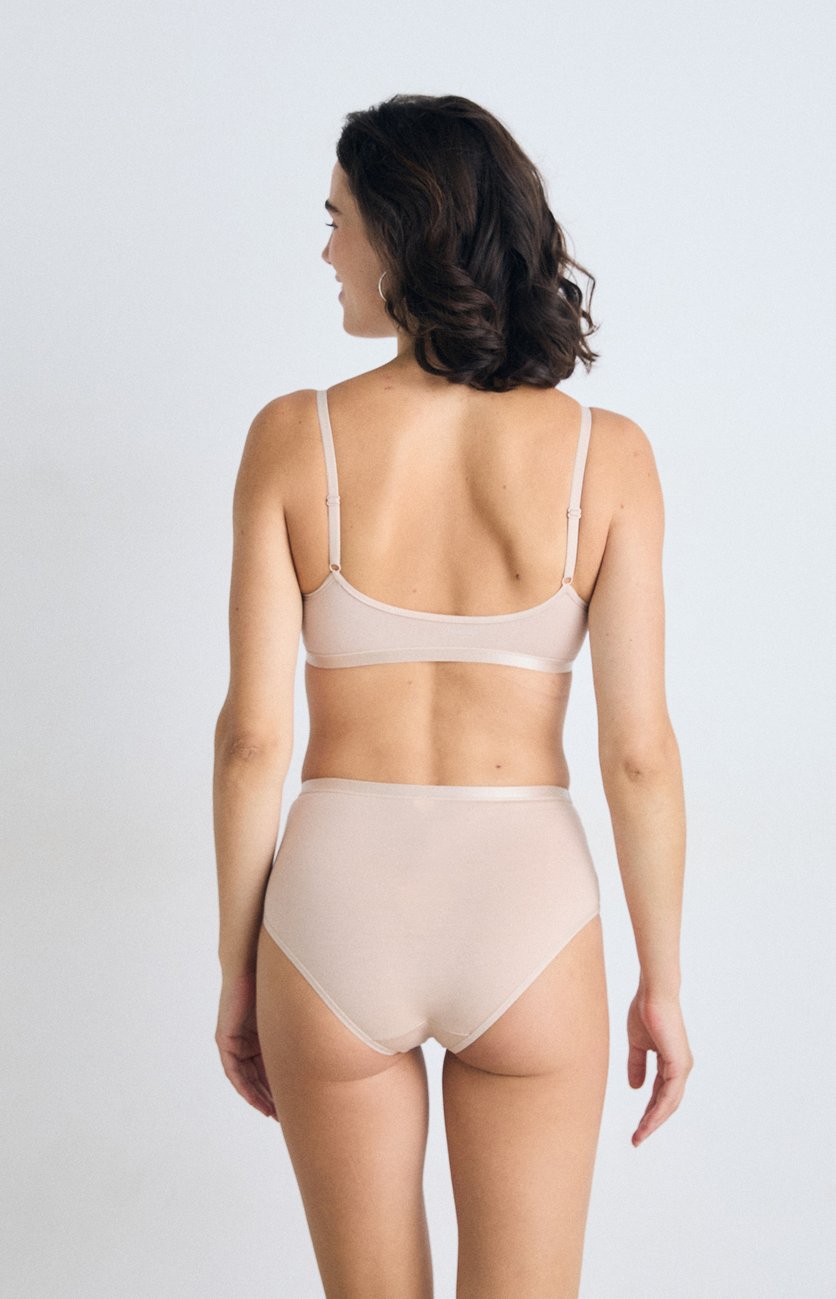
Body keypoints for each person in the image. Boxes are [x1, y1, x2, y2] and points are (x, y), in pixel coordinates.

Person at [212, 93, 693, 1299]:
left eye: (337, 219)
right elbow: (639, 752)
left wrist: (239, 970)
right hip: (527, 901)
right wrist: (663, 980)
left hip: (332, 904)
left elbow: (253, 739)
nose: (326, 249)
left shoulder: (294, 438)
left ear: (399, 228)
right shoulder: (608, 455)